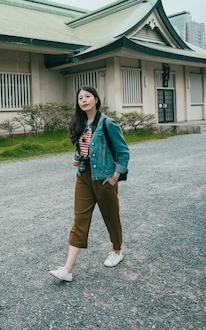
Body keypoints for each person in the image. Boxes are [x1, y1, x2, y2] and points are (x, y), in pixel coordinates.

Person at [49, 85, 130, 282]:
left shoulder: (107, 123)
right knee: (79, 220)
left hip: (104, 178)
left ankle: (117, 251)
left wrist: (115, 177)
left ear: (96, 99)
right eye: (80, 98)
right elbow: (83, 148)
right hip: (83, 177)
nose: (83, 100)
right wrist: (76, 159)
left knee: (111, 216)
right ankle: (68, 269)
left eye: (87, 96)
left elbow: (124, 152)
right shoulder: (80, 123)